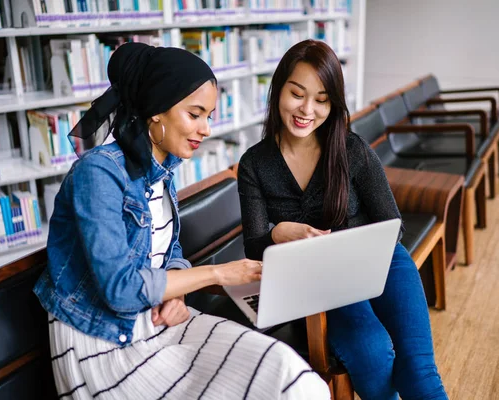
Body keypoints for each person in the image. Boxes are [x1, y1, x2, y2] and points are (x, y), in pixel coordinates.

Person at [33, 42, 330, 400]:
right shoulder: (97, 174)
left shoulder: (162, 170)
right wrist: (218, 274)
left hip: (159, 321)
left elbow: (168, 248)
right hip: (106, 344)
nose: (205, 129)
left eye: (209, 115)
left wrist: (178, 289)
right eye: (195, 114)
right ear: (157, 111)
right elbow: (119, 289)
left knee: (297, 380)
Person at [237, 39, 449, 400]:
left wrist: (351, 246)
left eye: (321, 99)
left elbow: (392, 223)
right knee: (374, 354)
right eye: (297, 93)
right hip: (322, 282)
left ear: (333, 103)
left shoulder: (351, 149)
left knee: (419, 368)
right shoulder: (254, 163)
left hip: (382, 263)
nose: (307, 109)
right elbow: (255, 245)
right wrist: (278, 233)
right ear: (278, 91)